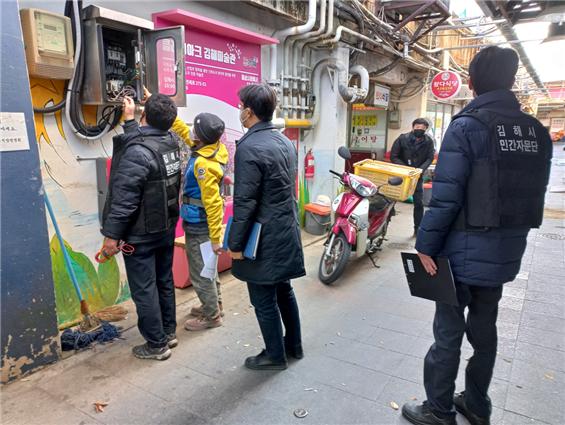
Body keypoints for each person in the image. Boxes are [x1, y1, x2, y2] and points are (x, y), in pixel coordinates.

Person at [402, 46, 553, 425]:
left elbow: (446, 197)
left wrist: (425, 246)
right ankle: (476, 403)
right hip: (506, 254)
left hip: (460, 256)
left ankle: (439, 411)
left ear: (470, 82)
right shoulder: (536, 132)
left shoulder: (467, 127)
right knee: (485, 331)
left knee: (447, 334)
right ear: (511, 80)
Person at [228, 83, 305, 371]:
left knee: (263, 298)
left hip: (263, 236)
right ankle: (294, 346)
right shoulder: (284, 141)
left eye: (240, 106)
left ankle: (274, 355)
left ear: (249, 112)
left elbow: (245, 202)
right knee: (284, 290)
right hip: (285, 229)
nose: (239, 110)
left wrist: (235, 245)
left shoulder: (249, 146)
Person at [100, 94, 181, 361]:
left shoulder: (137, 152)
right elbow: (144, 145)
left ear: (144, 116)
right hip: (165, 228)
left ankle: (156, 344)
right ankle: (168, 332)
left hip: (141, 234)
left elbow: (124, 201)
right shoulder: (170, 142)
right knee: (163, 280)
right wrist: (129, 121)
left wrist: (111, 236)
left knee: (144, 289)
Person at [170, 112, 228, 331]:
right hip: (200, 223)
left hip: (199, 224)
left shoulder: (203, 165)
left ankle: (211, 316)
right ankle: (215, 304)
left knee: (200, 271)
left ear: (200, 137)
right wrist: (169, 113)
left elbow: (213, 204)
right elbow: (183, 131)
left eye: (194, 129)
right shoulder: (213, 148)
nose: (191, 131)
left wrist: (215, 238)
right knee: (208, 267)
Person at [390, 118, 435, 236]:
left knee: (419, 203)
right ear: (413, 127)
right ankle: (384, 222)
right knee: (390, 198)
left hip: (417, 176)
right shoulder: (402, 139)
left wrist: (420, 170)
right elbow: (394, 156)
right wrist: (406, 169)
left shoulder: (429, 142)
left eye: (422, 128)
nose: (419, 130)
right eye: (417, 127)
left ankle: (417, 228)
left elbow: (430, 158)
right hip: (401, 175)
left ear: (426, 129)